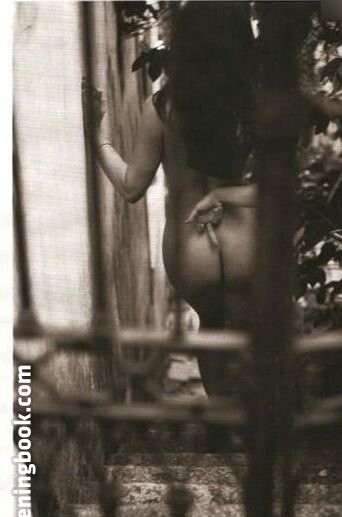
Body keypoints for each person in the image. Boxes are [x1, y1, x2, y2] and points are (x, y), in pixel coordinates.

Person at [82, 1, 258, 407]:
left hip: (188, 244)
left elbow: (131, 187)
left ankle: (221, 422)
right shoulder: (255, 105)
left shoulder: (162, 107)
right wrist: (224, 194)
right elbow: (279, 189)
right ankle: (259, 425)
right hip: (246, 238)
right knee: (256, 332)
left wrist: (98, 136)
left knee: (211, 327)